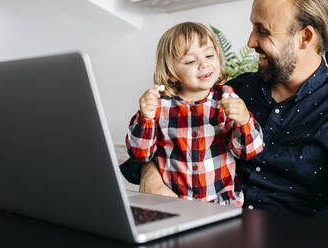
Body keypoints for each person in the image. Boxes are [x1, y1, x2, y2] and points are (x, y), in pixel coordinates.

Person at [120, 0, 328, 217]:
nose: (250, 41)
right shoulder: (233, 91)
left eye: (263, 31)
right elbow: (162, 140)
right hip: (201, 220)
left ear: (305, 37)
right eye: (252, 27)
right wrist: (149, 175)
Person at [126, 22, 263, 207]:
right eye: (190, 61)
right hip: (174, 206)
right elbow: (139, 153)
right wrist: (145, 118)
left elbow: (249, 151)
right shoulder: (159, 105)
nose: (203, 64)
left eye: (209, 55)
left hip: (222, 207)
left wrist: (244, 120)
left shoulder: (227, 98)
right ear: (171, 73)